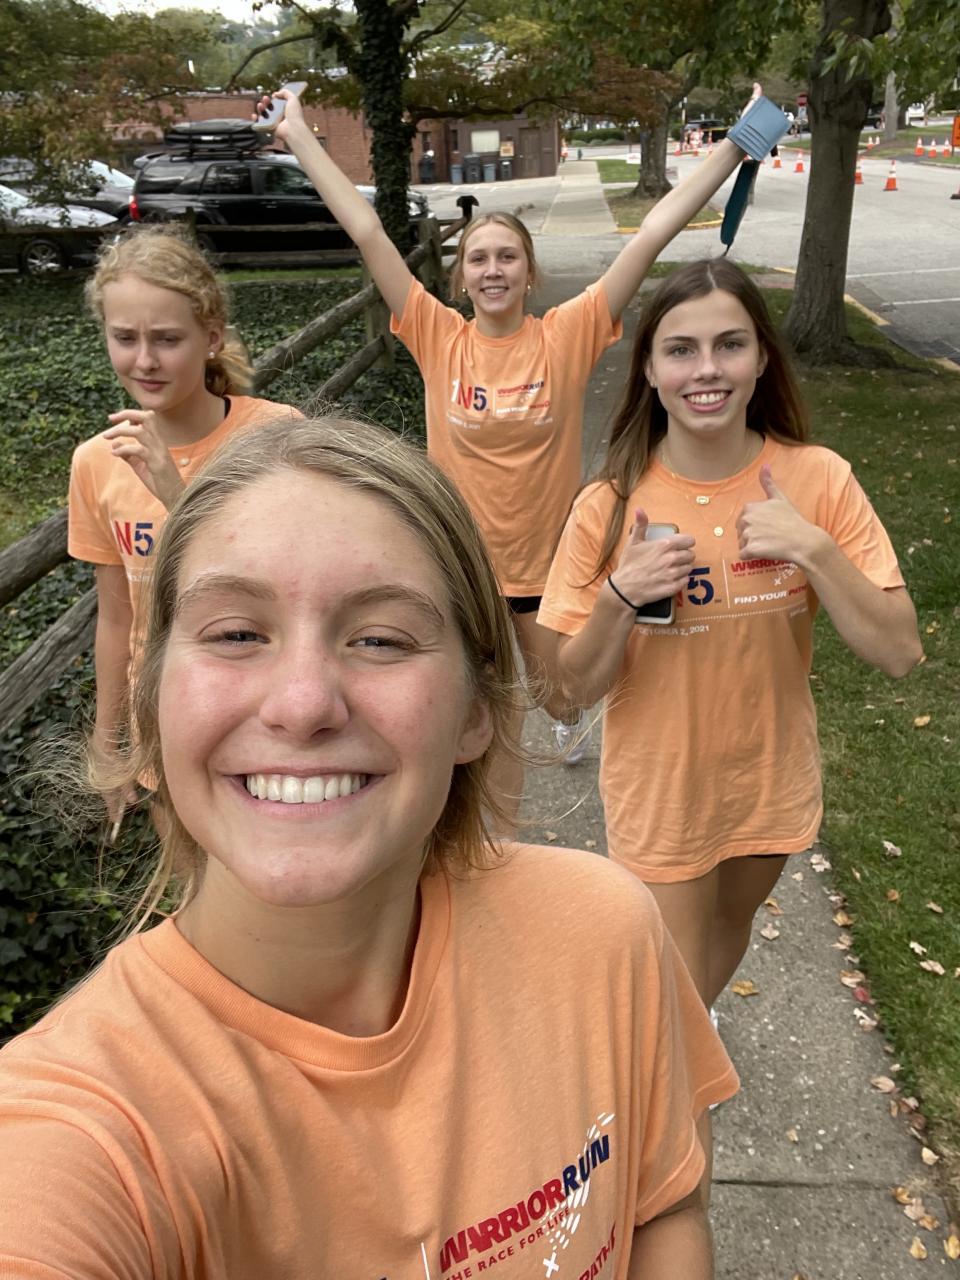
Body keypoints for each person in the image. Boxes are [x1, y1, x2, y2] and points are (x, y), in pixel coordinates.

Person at [0, 417, 738, 1276]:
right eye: (236, 633)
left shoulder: (601, 933)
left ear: (475, 710)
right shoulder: (86, 1125)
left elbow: (662, 1205)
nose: (303, 704)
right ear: (155, 699)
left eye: (381, 639)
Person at [256, 87, 782, 815]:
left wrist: (736, 143)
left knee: (562, 696)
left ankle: (568, 723)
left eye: (507, 256)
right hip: (464, 572)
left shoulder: (566, 334)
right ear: (461, 276)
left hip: (547, 571)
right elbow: (368, 229)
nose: (493, 269)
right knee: (492, 725)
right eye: (478, 258)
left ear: (529, 272)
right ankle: (496, 857)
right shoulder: (438, 335)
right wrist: (298, 136)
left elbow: (651, 235)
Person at [538, 258, 922, 1008]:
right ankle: (681, 1063)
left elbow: (900, 651)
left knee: (725, 928)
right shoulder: (609, 505)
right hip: (662, 793)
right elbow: (564, 694)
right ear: (649, 369)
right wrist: (619, 598)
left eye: (730, 345)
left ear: (762, 359)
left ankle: (691, 1039)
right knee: (670, 1000)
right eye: (681, 349)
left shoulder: (819, 479)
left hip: (768, 785)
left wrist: (813, 549)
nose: (706, 369)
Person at [68, 225, 300, 814]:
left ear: (211, 337)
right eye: (124, 337)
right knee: (183, 864)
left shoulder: (274, 433)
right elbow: (117, 617)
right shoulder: (96, 462)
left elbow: (296, 577)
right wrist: (107, 740)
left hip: (267, 700)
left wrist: (178, 494)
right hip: (165, 708)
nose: (144, 360)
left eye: (168, 339)